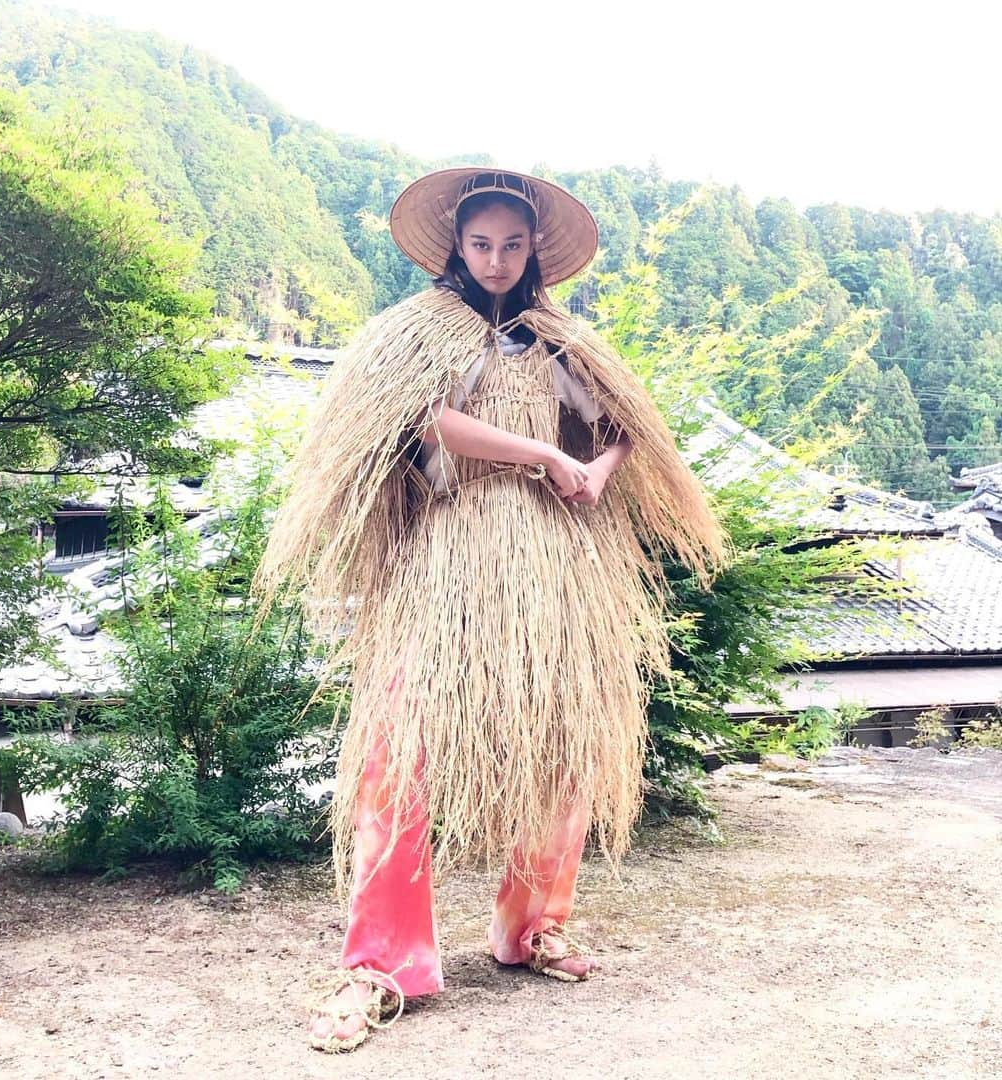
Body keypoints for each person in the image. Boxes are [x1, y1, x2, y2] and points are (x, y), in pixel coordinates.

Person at [252, 168, 727, 1053]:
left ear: (535, 249)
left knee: (563, 744)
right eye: (482, 244)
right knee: (401, 756)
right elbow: (425, 423)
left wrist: (593, 471)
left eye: (514, 245)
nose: (498, 260)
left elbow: (623, 428)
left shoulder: (564, 342)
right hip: (448, 562)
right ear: (455, 246)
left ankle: (531, 928)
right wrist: (544, 452)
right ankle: (383, 964)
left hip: (554, 566)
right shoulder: (420, 333)